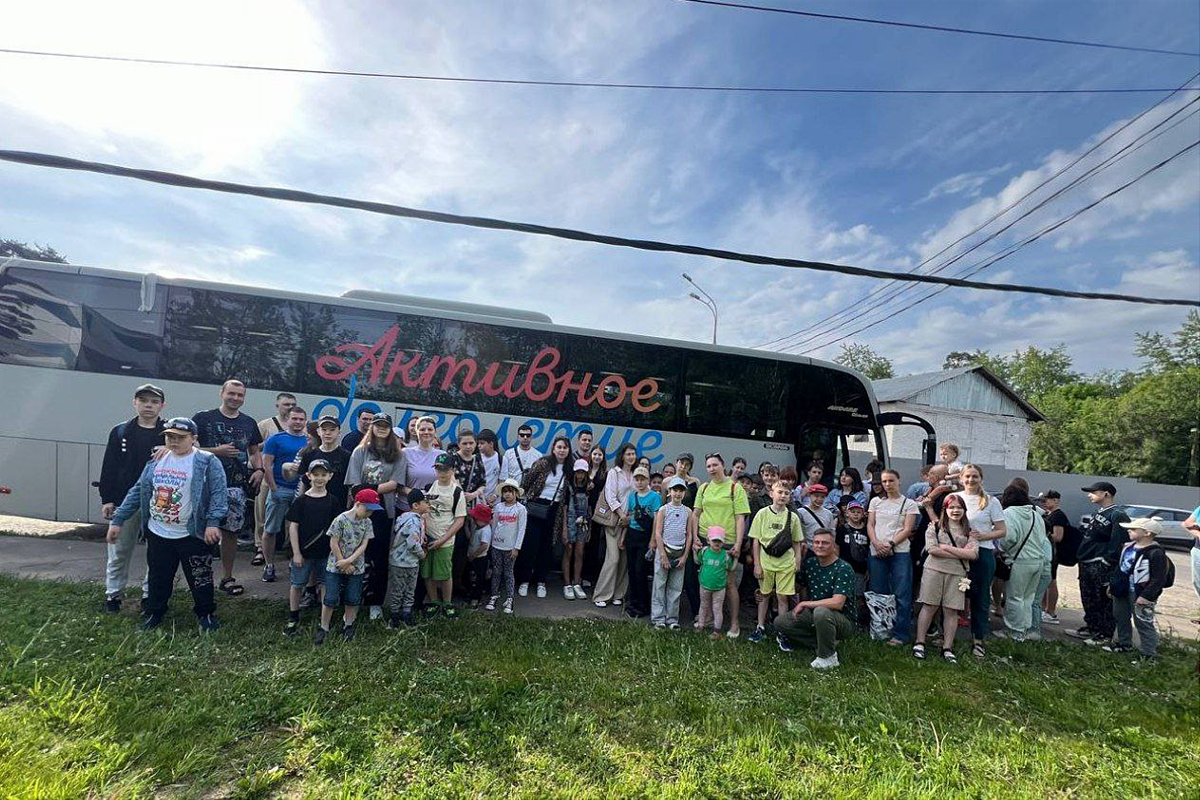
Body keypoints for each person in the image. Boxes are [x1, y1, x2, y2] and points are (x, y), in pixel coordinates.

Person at [107, 417, 227, 632]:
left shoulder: (207, 461)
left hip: (192, 533)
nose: (174, 441)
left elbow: (219, 493)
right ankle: (154, 613)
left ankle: (205, 614)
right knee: (158, 577)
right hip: (158, 532)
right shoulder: (156, 460)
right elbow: (138, 490)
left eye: (180, 437)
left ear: (194, 439)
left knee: (200, 577)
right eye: (170, 437)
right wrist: (118, 519)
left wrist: (212, 523)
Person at [192, 379, 263, 599]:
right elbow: (189, 448)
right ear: (222, 393)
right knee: (200, 531)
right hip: (205, 485)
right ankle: (200, 577)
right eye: (231, 393)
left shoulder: (249, 422)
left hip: (235, 486)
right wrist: (216, 451)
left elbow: (253, 450)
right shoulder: (203, 419)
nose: (235, 398)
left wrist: (259, 470)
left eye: (240, 395)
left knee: (230, 533)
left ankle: (227, 577)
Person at [99, 383, 166, 613]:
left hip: (159, 502)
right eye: (144, 400)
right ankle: (113, 594)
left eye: (154, 401)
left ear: (162, 405)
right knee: (119, 550)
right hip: (123, 500)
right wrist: (107, 499)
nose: (149, 405)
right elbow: (109, 467)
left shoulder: (170, 433)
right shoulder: (120, 432)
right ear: (134, 403)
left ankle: (150, 595)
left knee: (156, 553)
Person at [346, 414, 406, 620]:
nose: (381, 429)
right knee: (356, 554)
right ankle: (353, 598)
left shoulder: (398, 455)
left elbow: (394, 484)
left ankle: (375, 602)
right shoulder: (360, 451)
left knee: (379, 560)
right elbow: (354, 484)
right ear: (372, 427)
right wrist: (368, 492)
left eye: (385, 426)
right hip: (360, 511)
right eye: (377, 425)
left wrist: (368, 490)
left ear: (390, 429)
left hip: (383, 512)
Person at [776, 529, 857, 669]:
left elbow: (837, 603)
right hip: (815, 613)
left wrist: (805, 603)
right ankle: (823, 642)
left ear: (833, 546)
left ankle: (827, 656)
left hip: (842, 619)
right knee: (781, 622)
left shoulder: (843, 568)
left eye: (825, 543)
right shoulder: (810, 564)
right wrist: (767, 593)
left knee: (821, 611)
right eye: (816, 542)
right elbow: (794, 589)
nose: (820, 545)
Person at [913, 494, 978, 661]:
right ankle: (920, 642)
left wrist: (945, 547)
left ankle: (947, 647)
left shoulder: (970, 531)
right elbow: (932, 550)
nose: (955, 511)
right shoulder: (934, 527)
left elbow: (973, 554)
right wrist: (960, 553)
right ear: (945, 509)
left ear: (964, 510)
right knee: (929, 606)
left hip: (957, 574)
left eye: (959, 507)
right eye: (952, 507)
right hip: (933, 570)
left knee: (951, 610)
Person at [693, 453, 751, 638]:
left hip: (728, 541)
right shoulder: (703, 488)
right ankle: (708, 618)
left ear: (723, 465)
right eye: (708, 466)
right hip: (704, 538)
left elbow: (740, 517)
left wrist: (739, 544)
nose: (711, 468)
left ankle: (734, 623)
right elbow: (696, 514)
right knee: (706, 578)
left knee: (729, 583)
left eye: (715, 465)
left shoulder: (735, 488)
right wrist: (694, 536)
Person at [953, 464, 1006, 659]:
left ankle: (978, 639)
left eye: (974, 476)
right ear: (960, 478)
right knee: (953, 594)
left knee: (980, 598)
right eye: (967, 476)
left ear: (981, 479)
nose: (970, 480)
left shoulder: (991, 502)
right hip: (957, 553)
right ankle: (946, 636)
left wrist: (981, 536)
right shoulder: (956, 498)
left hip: (982, 553)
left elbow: (1002, 530)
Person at [283, 459, 341, 636]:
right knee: (297, 583)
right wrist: (296, 553)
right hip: (304, 553)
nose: (320, 478)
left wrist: (336, 551)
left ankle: (323, 619)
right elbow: (293, 527)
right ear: (308, 476)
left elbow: (338, 528)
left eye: (324, 474)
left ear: (330, 476)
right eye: (316, 474)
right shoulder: (301, 501)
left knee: (325, 583)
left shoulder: (333, 501)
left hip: (326, 553)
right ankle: (293, 617)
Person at [1071, 481, 1131, 646]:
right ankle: (1093, 628)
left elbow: (1119, 542)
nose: (1089, 495)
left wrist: (1107, 561)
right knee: (1089, 598)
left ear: (1106, 493)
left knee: (1102, 600)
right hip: (1087, 562)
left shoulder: (1117, 514)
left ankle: (1104, 634)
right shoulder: (1100, 512)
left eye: (1093, 491)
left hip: (1100, 565)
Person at [316, 489, 380, 645]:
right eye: (367, 509)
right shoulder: (340, 520)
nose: (369, 513)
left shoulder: (367, 522)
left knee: (352, 598)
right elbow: (333, 542)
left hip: (356, 566)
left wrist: (350, 560)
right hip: (336, 565)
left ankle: (348, 624)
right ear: (357, 504)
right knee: (330, 597)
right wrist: (342, 561)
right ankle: (324, 626)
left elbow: (364, 544)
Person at [1107, 518, 1172, 660]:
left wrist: (1147, 595)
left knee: (1143, 623)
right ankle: (1124, 644)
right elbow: (1121, 568)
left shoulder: (1156, 553)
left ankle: (1148, 653)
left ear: (1147, 533)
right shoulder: (1128, 547)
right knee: (1120, 617)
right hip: (1122, 590)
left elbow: (1158, 578)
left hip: (1141, 594)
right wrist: (1113, 585)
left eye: (1134, 529)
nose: (1129, 530)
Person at [866, 469, 918, 646]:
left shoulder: (909, 503)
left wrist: (890, 544)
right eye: (884, 481)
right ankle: (880, 629)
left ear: (899, 481)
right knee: (878, 592)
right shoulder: (875, 502)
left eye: (891, 481)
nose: (887, 484)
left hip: (900, 552)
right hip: (877, 551)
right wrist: (876, 543)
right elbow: (870, 524)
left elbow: (908, 529)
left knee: (902, 594)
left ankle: (900, 634)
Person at [748, 482, 804, 643]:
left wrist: (797, 561)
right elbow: (756, 541)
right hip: (766, 562)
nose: (783, 496)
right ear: (772, 493)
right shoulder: (762, 514)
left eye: (787, 493)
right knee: (764, 595)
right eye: (780, 492)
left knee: (782, 598)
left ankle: (782, 630)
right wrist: (757, 564)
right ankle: (760, 627)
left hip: (786, 562)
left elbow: (796, 542)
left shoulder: (792, 517)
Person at [259, 405, 309, 583]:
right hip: (280, 489)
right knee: (271, 529)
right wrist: (274, 489)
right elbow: (267, 465)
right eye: (294, 419)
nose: (297, 422)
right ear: (288, 420)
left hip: (301, 492)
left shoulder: (309, 441)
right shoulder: (276, 439)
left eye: (301, 419)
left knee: (298, 530)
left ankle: (293, 564)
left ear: (305, 421)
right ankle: (269, 565)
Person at [518, 436, 571, 599]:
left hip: (555, 511)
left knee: (547, 547)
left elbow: (569, 494)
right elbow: (526, 483)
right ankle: (524, 581)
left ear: (569, 450)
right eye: (559, 447)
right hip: (536, 507)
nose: (562, 450)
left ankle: (541, 581)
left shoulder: (570, 469)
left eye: (565, 447)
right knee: (530, 546)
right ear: (553, 448)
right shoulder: (543, 463)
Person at [422, 453, 468, 616]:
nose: (442, 473)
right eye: (438, 469)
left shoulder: (457, 492)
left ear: (452, 470)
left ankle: (447, 603)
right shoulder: (429, 488)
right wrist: (422, 533)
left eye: (445, 469)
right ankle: (434, 601)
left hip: (445, 540)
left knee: (444, 574)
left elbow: (459, 520)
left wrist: (442, 540)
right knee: (427, 573)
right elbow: (423, 511)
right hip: (427, 538)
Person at [253, 393, 297, 562]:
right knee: (262, 513)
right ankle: (259, 548)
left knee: (291, 518)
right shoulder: (265, 425)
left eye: (293, 404)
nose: (290, 407)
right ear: (277, 405)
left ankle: (288, 546)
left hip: (293, 481)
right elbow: (252, 448)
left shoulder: (301, 426)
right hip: (268, 477)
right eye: (286, 404)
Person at [594, 443, 637, 608]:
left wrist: (630, 518)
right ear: (622, 456)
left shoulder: (635, 474)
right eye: (628, 454)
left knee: (624, 560)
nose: (631, 457)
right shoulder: (614, 472)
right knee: (613, 559)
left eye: (633, 454)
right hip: (615, 521)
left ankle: (618, 594)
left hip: (630, 522)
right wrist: (622, 515)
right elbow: (610, 496)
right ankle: (601, 594)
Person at [650, 476, 694, 630]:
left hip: (679, 553)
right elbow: (658, 533)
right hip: (665, 551)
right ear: (669, 492)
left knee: (675, 588)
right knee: (659, 585)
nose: (678, 493)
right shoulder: (663, 510)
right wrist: (662, 555)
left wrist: (685, 556)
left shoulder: (688, 511)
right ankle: (658, 618)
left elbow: (689, 535)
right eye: (675, 490)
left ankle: (672, 619)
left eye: (681, 490)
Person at [621, 466, 662, 618]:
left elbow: (657, 521)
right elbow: (629, 516)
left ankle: (643, 605)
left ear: (648, 480)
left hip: (645, 538)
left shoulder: (654, 497)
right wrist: (623, 537)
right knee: (631, 571)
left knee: (641, 571)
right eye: (636, 479)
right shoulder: (632, 496)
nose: (639, 482)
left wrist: (653, 540)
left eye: (642, 479)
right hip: (632, 535)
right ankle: (633, 603)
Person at [386, 488, 427, 628]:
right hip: (406, 562)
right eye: (425, 502)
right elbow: (412, 543)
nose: (428, 505)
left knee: (401, 589)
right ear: (416, 505)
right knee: (406, 589)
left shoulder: (404, 518)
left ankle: (400, 614)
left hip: (402, 561)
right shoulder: (413, 522)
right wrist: (422, 554)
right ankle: (399, 616)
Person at [291, 415, 352, 506]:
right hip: (311, 505)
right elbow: (303, 482)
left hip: (337, 507)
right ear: (318, 432)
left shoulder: (347, 456)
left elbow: (350, 485)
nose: (327, 433)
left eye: (332, 430)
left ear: (339, 432)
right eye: (324, 430)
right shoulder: (308, 455)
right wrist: (298, 504)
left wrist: (348, 508)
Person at [487, 479, 526, 613]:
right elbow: (494, 525)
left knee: (509, 573)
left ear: (516, 493)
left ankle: (509, 599)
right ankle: (493, 595)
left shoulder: (521, 509)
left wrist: (517, 547)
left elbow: (521, 529)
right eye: (505, 492)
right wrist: (491, 543)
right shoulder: (498, 507)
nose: (507, 494)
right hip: (497, 545)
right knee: (496, 572)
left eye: (510, 491)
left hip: (510, 548)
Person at [695, 526, 734, 639]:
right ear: (708, 540)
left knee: (717, 608)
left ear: (723, 542)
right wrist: (694, 551)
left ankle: (716, 630)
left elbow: (730, 568)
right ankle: (701, 625)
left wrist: (735, 558)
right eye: (714, 540)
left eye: (720, 541)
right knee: (703, 605)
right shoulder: (704, 551)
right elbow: (698, 561)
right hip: (704, 585)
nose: (717, 543)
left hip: (719, 587)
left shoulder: (725, 555)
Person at [834, 500, 870, 622]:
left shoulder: (867, 530)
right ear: (847, 513)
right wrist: (836, 565)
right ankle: (843, 620)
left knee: (859, 595)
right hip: (844, 567)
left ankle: (856, 621)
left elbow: (869, 551)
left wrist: (868, 569)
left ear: (863, 514)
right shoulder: (842, 529)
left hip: (860, 569)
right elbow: (836, 547)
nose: (855, 514)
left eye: (858, 512)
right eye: (852, 511)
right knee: (843, 595)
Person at [561, 459, 592, 600]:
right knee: (568, 551)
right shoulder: (568, 487)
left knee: (580, 552)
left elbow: (590, 508)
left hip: (584, 523)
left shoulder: (588, 488)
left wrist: (589, 528)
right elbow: (565, 509)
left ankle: (577, 582)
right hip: (570, 522)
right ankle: (567, 584)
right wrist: (564, 529)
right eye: (578, 472)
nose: (580, 475)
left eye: (583, 473)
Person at [1039, 490, 1071, 625]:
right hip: (1047, 552)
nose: (1044, 503)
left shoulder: (1058, 516)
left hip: (1053, 553)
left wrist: (1042, 533)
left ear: (1056, 500)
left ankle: (1051, 611)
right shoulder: (1049, 514)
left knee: (1051, 582)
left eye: (1047, 500)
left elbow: (1058, 537)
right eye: (1043, 500)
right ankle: (1044, 609)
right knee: (1045, 581)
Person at [583, 444, 609, 585]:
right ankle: (577, 575)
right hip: (582, 510)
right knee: (580, 543)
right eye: (595, 454)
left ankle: (588, 575)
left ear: (603, 457)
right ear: (590, 455)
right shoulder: (584, 470)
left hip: (597, 513)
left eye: (600, 454)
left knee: (593, 543)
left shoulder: (606, 473)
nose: (597, 457)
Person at [404, 416, 446, 495]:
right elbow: (398, 485)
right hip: (407, 505)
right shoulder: (406, 453)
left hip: (433, 505)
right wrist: (416, 495)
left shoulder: (442, 455)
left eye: (430, 429)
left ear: (435, 432)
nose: (426, 432)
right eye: (422, 429)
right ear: (416, 431)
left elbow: (447, 482)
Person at [465, 503, 493, 608]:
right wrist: (466, 525)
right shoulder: (477, 527)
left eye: (475, 518)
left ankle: (476, 599)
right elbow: (470, 538)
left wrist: (473, 555)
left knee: (478, 579)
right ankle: (471, 594)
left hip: (480, 558)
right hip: (472, 557)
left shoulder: (485, 530)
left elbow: (484, 546)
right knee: (471, 577)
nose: (474, 520)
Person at [796, 484, 834, 551]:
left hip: (823, 549)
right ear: (810, 496)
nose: (819, 499)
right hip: (807, 549)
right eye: (816, 496)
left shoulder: (828, 514)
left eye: (822, 497)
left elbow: (831, 533)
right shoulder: (800, 512)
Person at [477, 429, 502, 506]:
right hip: (477, 500)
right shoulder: (476, 458)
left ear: (491, 444)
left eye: (482, 443)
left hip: (494, 503)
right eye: (478, 443)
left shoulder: (501, 459)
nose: (479, 446)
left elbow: (502, 481)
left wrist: (494, 496)